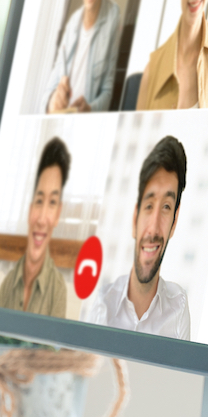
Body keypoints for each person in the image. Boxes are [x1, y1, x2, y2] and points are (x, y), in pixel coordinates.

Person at [81, 136, 191, 338]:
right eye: (149, 206)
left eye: (166, 207)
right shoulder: (103, 307)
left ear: (174, 222)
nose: (154, 228)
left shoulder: (178, 307)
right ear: (134, 219)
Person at [0, 137, 71, 317]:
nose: (42, 219)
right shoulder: (8, 283)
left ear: (58, 214)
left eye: (52, 202)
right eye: (39, 200)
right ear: (29, 210)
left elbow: (52, 346)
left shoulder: (58, 290)